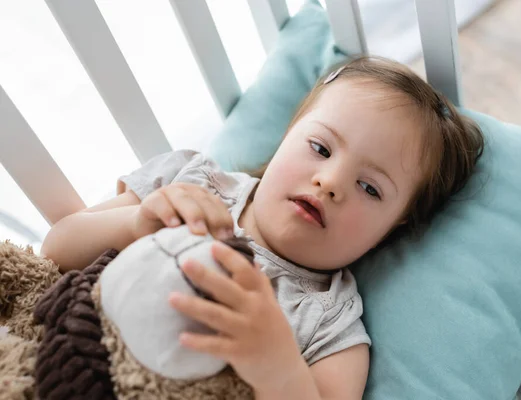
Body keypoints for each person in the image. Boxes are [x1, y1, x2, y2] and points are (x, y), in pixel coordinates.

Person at [41, 56, 484, 400]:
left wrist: (275, 362)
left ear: (394, 226)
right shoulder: (192, 181)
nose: (329, 183)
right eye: (320, 147)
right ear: (288, 135)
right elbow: (54, 249)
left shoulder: (331, 324)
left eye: (369, 188)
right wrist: (135, 226)